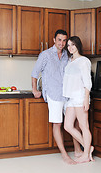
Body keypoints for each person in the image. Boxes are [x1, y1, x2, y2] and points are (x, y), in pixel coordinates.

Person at [31, 30, 82, 164]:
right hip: (53, 94)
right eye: (59, 40)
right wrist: (35, 89)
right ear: (54, 40)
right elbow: (35, 73)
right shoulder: (45, 55)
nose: (62, 43)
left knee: (74, 123)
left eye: (64, 40)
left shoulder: (67, 55)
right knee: (58, 123)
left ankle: (78, 150)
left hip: (67, 94)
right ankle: (64, 154)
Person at [62, 36, 94, 163]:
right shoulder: (70, 61)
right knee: (68, 126)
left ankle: (86, 154)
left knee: (83, 126)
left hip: (80, 96)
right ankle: (88, 148)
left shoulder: (83, 61)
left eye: (73, 45)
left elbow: (87, 81)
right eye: (68, 45)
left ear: (78, 46)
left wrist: (86, 99)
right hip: (71, 98)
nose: (70, 47)